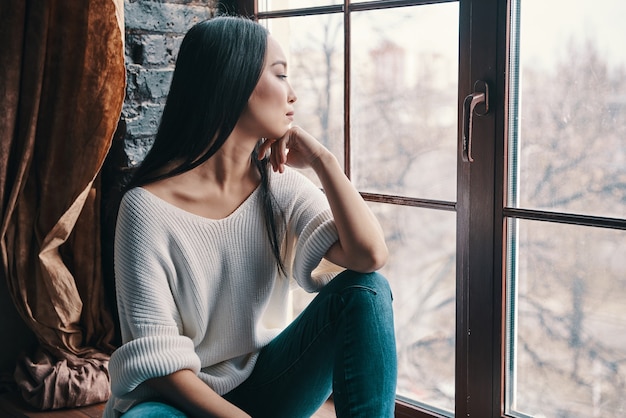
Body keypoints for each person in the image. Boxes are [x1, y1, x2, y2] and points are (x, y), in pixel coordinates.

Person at [104, 15, 397, 418]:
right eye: (280, 76)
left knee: (368, 290)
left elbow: (369, 257)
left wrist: (323, 161)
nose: (292, 95)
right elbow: (161, 370)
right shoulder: (145, 210)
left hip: (267, 385)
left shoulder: (279, 186)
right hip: (180, 402)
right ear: (232, 81)